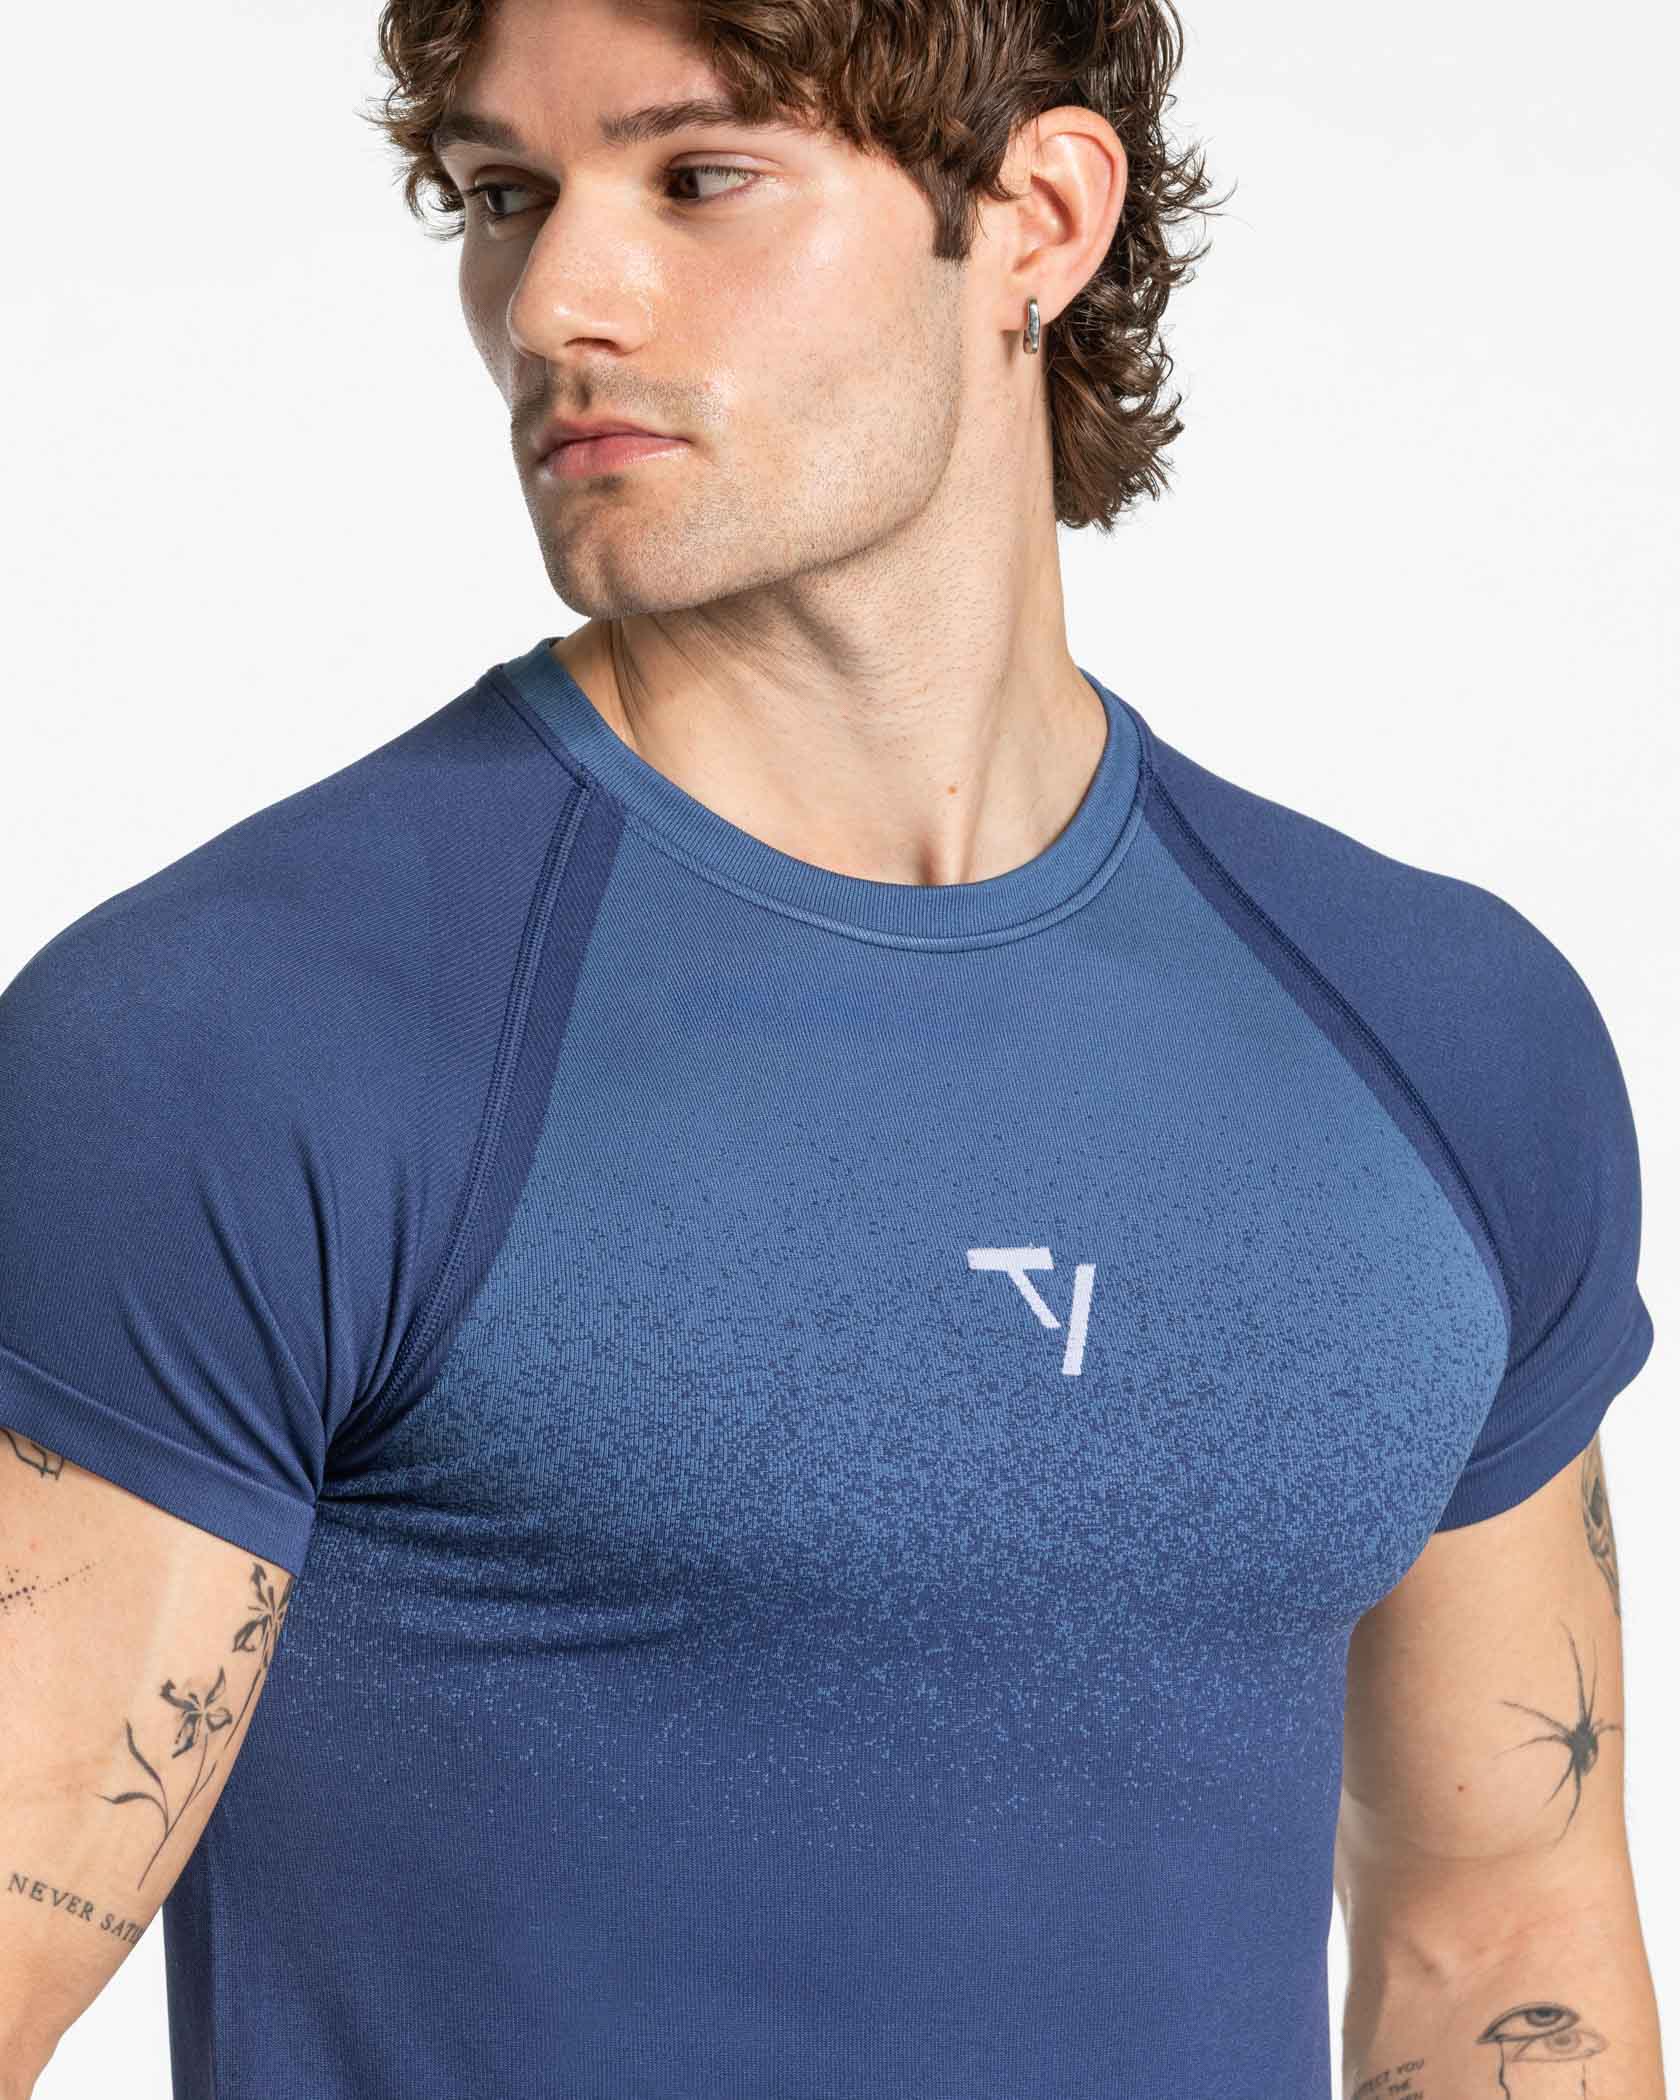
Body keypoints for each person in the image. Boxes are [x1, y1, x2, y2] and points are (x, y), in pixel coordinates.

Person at [0, 0, 1663, 2094]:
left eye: (699, 177)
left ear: (1038, 215)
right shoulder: (237, 1045)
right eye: (506, 195)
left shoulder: (1442, 1035)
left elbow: (1497, 1938)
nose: (557, 302)